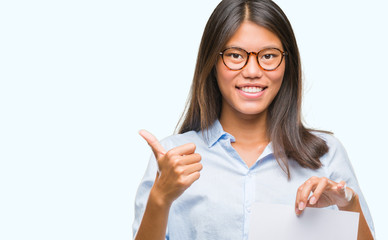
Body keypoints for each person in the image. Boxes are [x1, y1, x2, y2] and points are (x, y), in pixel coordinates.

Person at [132, 0, 375, 239]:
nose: (252, 71)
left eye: (268, 56)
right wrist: (160, 198)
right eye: (235, 55)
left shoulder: (326, 155)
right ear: (212, 62)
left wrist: (348, 206)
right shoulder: (172, 158)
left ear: (286, 64)